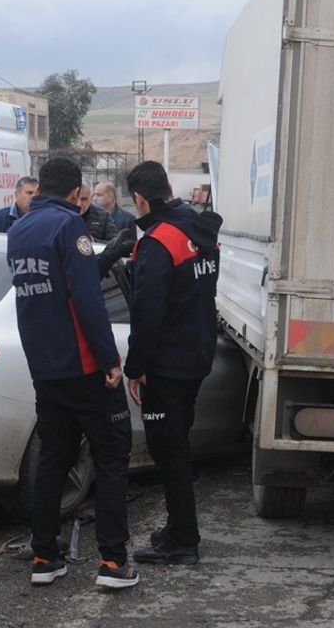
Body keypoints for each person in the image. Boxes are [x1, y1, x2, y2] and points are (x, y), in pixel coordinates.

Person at [6, 157, 138, 591]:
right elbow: (86, 300)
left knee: (54, 460)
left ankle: (45, 555)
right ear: (76, 194)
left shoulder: (18, 230)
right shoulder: (69, 228)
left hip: (46, 369)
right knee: (114, 457)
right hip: (83, 368)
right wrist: (109, 361)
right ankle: (114, 563)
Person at [123, 160, 223, 566]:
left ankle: (182, 539)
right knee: (177, 445)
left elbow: (148, 312)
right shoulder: (200, 231)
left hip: (167, 363)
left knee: (169, 452)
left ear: (139, 199)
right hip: (197, 355)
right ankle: (179, 529)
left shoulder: (159, 242)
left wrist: (135, 367)